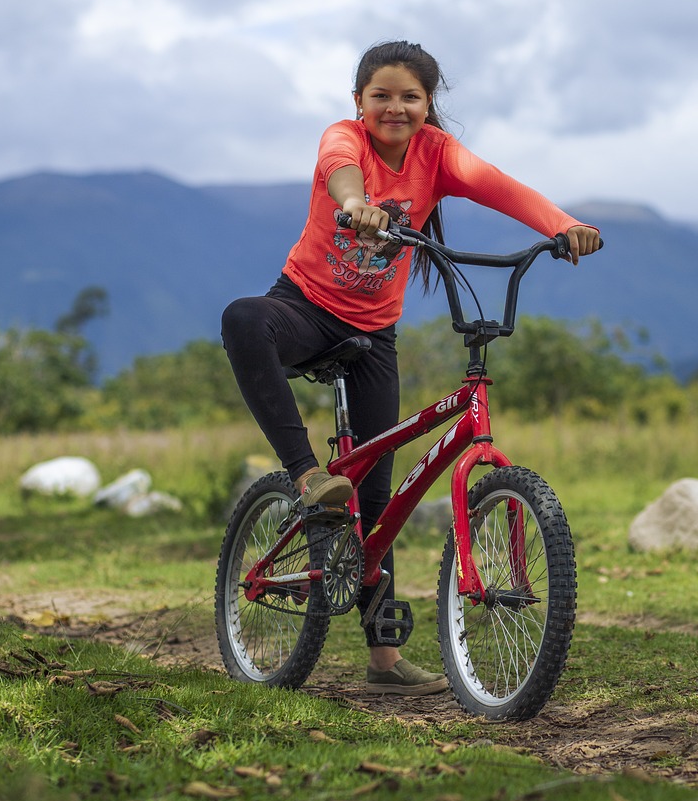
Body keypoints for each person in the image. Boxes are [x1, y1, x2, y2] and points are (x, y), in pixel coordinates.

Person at [221, 40, 601, 696]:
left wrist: (564, 224)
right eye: (381, 96)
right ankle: (307, 474)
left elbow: (502, 189)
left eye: (410, 97)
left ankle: (385, 662)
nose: (395, 107)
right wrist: (357, 203)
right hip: (305, 310)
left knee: (378, 500)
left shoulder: (437, 156)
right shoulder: (345, 139)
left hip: (373, 335)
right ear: (359, 102)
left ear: (429, 106)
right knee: (242, 319)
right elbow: (340, 170)